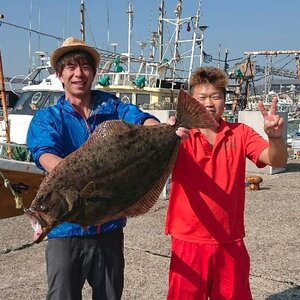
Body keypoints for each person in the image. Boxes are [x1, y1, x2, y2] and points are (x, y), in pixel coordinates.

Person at [26, 37, 186, 300]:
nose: (78, 73)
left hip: (109, 229)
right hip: (66, 233)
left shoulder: (112, 107)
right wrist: (68, 181)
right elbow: (45, 153)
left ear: (93, 72)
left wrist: (163, 130)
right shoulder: (48, 118)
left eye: (85, 66)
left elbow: (138, 118)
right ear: (59, 75)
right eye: (70, 67)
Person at [165, 67, 287, 300]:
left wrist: (275, 137)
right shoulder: (180, 135)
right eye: (201, 97)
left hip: (230, 241)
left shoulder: (240, 133)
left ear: (225, 100)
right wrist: (167, 134)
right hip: (187, 240)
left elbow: (277, 159)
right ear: (190, 101)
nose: (209, 103)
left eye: (216, 96)